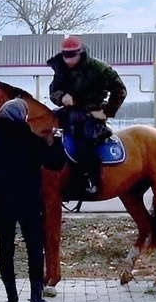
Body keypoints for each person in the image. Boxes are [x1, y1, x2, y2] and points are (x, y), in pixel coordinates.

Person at [0, 98, 62, 302]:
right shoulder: (28, 138)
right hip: (29, 202)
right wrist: (56, 143)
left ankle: (11, 299)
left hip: (4, 203)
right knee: (34, 247)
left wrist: (1, 179)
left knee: (5, 250)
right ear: (22, 116)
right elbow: (54, 163)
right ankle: (36, 299)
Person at [47, 35, 127, 194]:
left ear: (80, 53)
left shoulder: (99, 69)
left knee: (84, 140)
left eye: (71, 55)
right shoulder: (60, 67)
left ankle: (91, 180)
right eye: (64, 55)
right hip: (68, 112)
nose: (67, 59)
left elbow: (120, 90)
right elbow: (53, 91)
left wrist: (106, 112)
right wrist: (61, 96)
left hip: (90, 114)